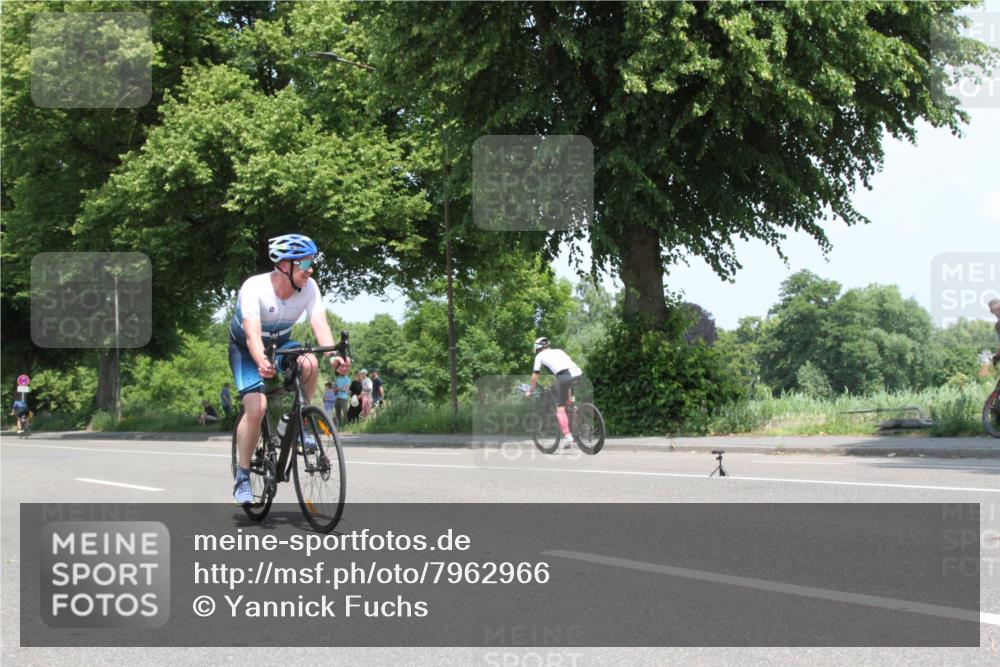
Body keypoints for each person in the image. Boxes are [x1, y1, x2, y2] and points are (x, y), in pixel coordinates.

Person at [228, 233, 342, 506]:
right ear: (284, 265)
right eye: (305, 263)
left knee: (310, 363)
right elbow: (252, 335)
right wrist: (260, 360)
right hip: (246, 348)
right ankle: (242, 477)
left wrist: (333, 356)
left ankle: (297, 424)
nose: (310, 269)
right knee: (257, 408)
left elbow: (319, 324)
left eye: (312, 262)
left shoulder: (309, 287)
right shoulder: (254, 287)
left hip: (280, 345)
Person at [523, 336, 584, 448]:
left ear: (537, 348)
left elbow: (535, 375)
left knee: (560, 409)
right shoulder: (559, 351)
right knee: (569, 401)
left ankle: (567, 436)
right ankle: (574, 412)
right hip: (578, 374)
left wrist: (531, 391)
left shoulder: (539, 356)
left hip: (564, 377)